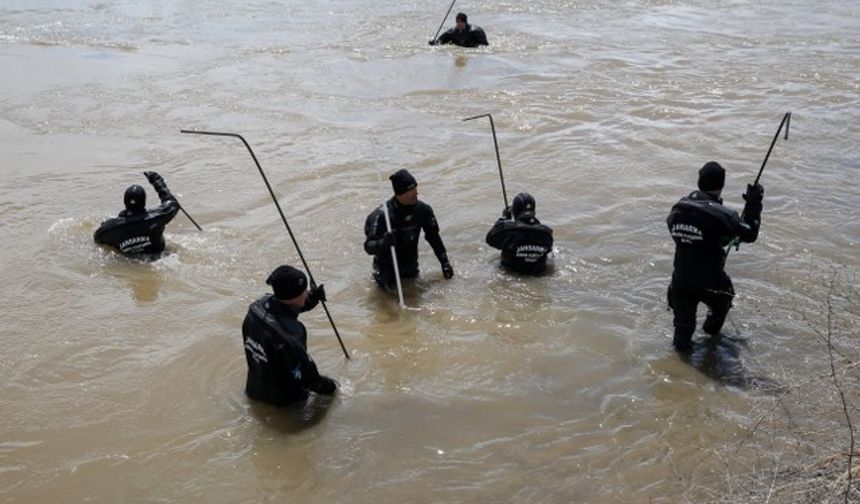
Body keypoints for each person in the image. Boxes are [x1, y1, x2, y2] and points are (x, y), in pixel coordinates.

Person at [666, 161, 764, 353]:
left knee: (681, 338)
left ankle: (678, 371)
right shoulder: (724, 215)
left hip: (680, 282)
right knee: (721, 309)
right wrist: (754, 203)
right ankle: (711, 345)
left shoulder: (678, 209)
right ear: (721, 185)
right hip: (711, 282)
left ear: (699, 181)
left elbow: (691, 234)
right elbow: (750, 234)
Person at [242, 265, 337, 406]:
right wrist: (334, 389)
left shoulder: (256, 308)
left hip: (254, 390)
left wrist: (313, 298)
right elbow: (312, 381)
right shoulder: (290, 338)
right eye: (304, 291)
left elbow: (286, 310)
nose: (306, 293)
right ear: (294, 297)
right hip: (285, 403)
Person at [364, 169, 454, 291]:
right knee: (390, 306)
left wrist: (445, 263)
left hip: (410, 267)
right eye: (410, 190)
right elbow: (368, 246)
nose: (416, 193)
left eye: (415, 188)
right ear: (399, 193)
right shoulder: (381, 215)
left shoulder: (423, 210)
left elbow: (434, 238)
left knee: (414, 303)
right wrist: (382, 243)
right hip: (386, 271)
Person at [93, 171, 180, 256]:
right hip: (159, 257)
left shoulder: (109, 229)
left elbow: (97, 239)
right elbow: (173, 204)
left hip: (129, 263)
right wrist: (157, 181)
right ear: (144, 202)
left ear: (125, 202)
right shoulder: (156, 217)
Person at [486, 192, 554, 275]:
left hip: (512, 275)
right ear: (534, 211)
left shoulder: (507, 230)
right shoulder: (546, 233)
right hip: (538, 274)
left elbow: (490, 239)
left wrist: (503, 220)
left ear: (514, 212)